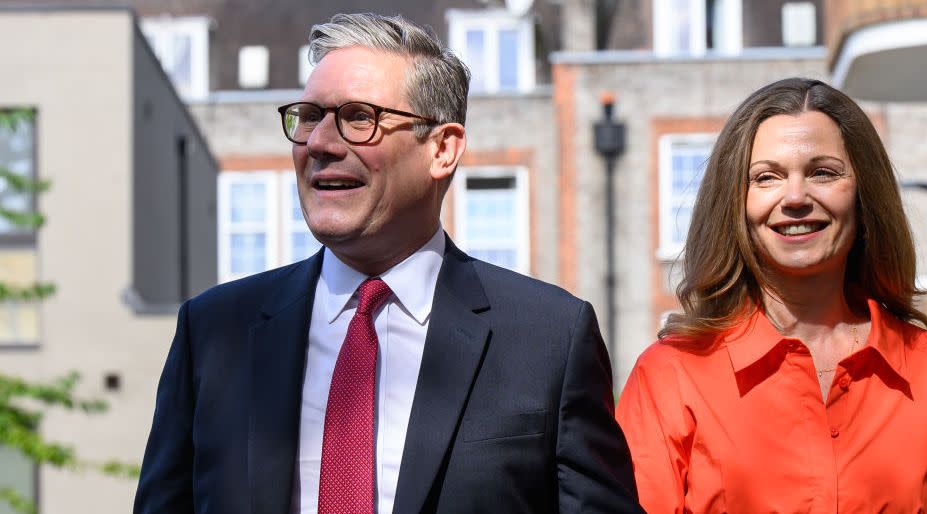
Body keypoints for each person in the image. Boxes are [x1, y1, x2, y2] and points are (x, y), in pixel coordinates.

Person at [134, 12, 641, 514]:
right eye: (309, 117)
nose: (320, 144)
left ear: (442, 149)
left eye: (359, 118)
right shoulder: (215, 332)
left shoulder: (548, 337)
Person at [616, 77, 927, 513]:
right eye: (766, 177)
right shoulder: (671, 376)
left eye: (823, 172)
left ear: (865, 195)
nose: (795, 197)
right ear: (736, 202)